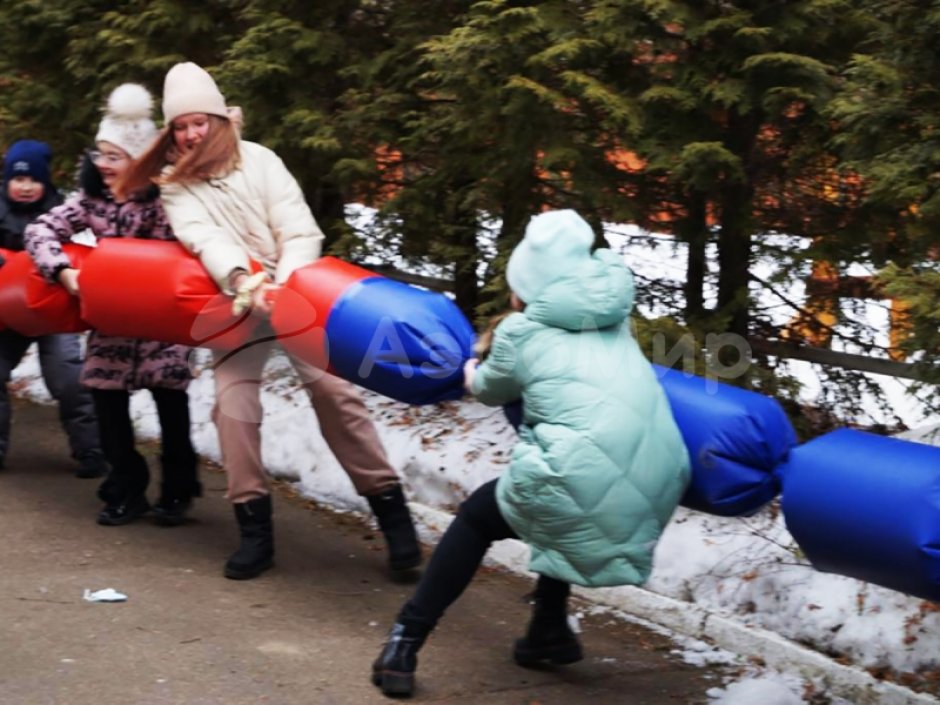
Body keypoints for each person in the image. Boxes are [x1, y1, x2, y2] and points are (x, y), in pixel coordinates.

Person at [118, 61, 421, 580]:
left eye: (198, 122)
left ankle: (391, 512)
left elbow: (298, 228)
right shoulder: (176, 186)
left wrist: (288, 285)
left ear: (218, 119)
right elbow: (203, 238)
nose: (190, 134)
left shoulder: (261, 160)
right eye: (180, 126)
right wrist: (244, 280)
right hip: (236, 301)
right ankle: (254, 529)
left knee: (334, 394)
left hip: (297, 294)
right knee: (233, 409)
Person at [371, 209, 692, 697]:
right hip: (661, 475)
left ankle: (404, 641)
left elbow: (487, 389)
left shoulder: (523, 333)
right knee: (555, 486)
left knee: (481, 517)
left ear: (527, 284)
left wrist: (471, 371)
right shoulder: (613, 322)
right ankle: (549, 628)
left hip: (584, 471)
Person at [25, 83, 201, 526]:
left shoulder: (170, 200)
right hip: (111, 325)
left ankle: (178, 489)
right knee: (107, 408)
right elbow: (40, 231)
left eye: (114, 156)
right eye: (99, 154)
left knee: (172, 409)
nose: (102, 164)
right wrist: (62, 272)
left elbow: (198, 244)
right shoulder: (91, 201)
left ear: (140, 159)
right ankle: (126, 487)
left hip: (162, 325)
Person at [0, 139, 106, 478]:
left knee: (70, 379)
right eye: (18, 179)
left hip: (52, 310)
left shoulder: (60, 211)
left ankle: (91, 449)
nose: (26, 186)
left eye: (34, 179)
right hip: (6, 312)